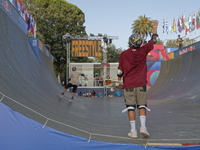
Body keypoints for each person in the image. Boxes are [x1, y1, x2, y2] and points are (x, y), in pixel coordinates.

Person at [118, 24, 159, 139]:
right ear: (139, 43)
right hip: (141, 84)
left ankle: (133, 131)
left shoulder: (124, 54)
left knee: (130, 106)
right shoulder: (143, 50)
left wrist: (118, 82)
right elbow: (154, 39)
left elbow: (120, 71)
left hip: (129, 84)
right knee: (142, 105)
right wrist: (155, 26)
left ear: (130, 42)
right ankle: (143, 128)